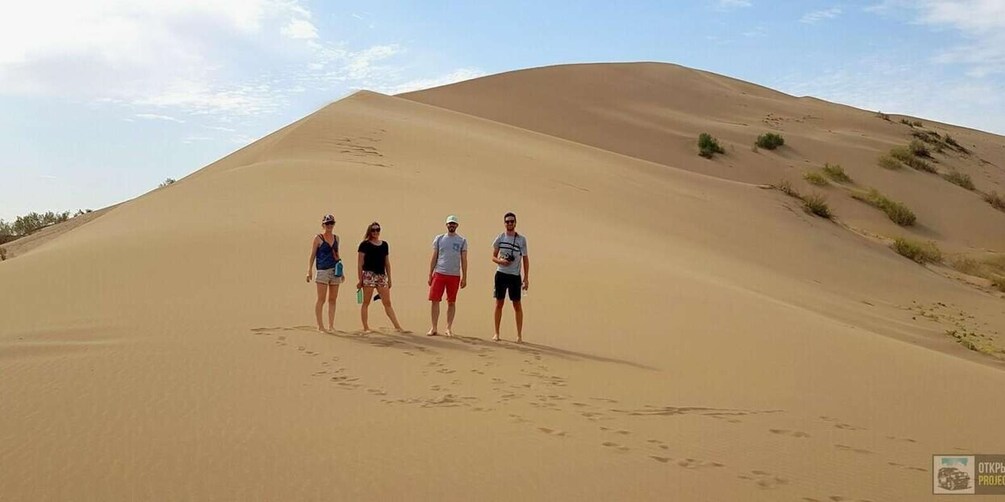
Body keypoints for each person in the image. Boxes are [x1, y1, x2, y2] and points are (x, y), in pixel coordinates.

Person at [356, 221, 405, 333]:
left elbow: (387, 263)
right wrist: (360, 279)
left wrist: (389, 278)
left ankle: (397, 326)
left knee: (387, 302)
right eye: (373, 230)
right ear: (370, 231)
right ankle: (365, 327)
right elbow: (359, 263)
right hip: (368, 275)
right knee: (366, 302)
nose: (375, 232)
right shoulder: (364, 244)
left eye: (377, 230)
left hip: (381, 276)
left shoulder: (384, 245)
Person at [427, 215, 468, 337]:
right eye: (450, 223)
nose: (451, 225)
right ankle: (434, 327)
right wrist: (430, 273)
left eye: (454, 224)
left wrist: (464, 276)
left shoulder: (462, 241)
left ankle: (448, 328)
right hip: (439, 273)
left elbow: (464, 260)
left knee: (451, 302)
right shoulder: (439, 239)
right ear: (446, 225)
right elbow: (434, 256)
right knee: (435, 300)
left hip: (454, 275)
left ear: (457, 225)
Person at [491, 212, 529, 342]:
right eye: (507, 221)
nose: (510, 223)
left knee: (517, 304)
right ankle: (496, 333)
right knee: (499, 303)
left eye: (512, 221)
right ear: (504, 223)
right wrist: (500, 261)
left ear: (515, 222)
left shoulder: (521, 239)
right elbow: (493, 256)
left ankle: (519, 335)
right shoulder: (500, 237)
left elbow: (525, 259)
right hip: (501, 274)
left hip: (515, 276)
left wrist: (526, 277)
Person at [306, 214, 343, 332]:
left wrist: (341, 271)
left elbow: (337, 255)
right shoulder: (318, 238)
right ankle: (320, 325)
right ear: (323, 225)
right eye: (327, 223)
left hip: (334, 270)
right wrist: (309, 270)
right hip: (322, 270)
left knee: (333, 299)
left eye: (331, 223)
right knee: (321, 299)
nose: (329, 225)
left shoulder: (336, 238)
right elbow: (312, 255)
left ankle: (331, 325)